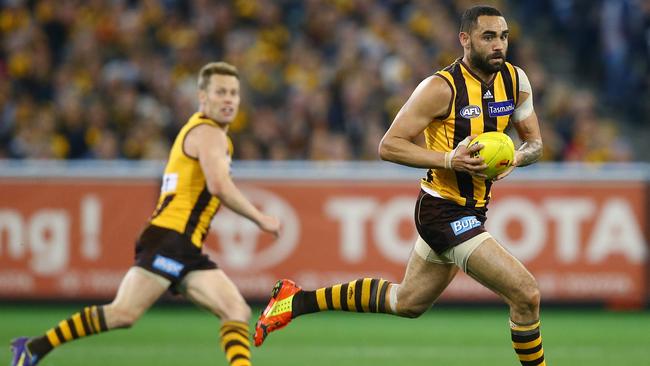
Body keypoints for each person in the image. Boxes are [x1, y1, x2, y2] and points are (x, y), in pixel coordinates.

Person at [254, 5, 546, 366]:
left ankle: (295, 300)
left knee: (406, 302)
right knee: (526, 294)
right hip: (443, 209)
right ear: (465, 40)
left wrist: (513, 159)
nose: (499, 44)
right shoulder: (441, 88)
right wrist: (447, 160)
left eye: (503, 36)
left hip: (473, 208)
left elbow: (535, 144)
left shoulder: (516, 81)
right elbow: (388, 145)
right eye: (489, 37)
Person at [10, 62, 281, 366]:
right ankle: (34, 348)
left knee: (235, 310)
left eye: (233, 93)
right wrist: (260, 218)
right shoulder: (209, 133)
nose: (229, 99)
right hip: (170, 239)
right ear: (202, 97)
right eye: (221, 92)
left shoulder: (200, 130)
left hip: (180, 243)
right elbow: (219, 185)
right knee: (123, 313)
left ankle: (34, 348)